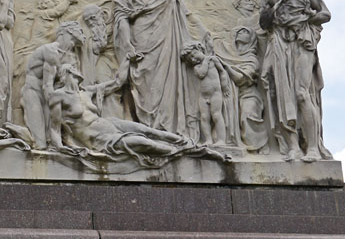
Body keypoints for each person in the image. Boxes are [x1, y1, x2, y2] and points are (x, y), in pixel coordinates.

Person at [47, 65, 227, 167]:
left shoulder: (85, 92)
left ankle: (188, 144)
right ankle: (193, 153)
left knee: (151, 132)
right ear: (67, 73)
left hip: (110, 124)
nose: (78, 69)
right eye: (73, 67)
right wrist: (61, 148)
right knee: (144, 143)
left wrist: (127, 60)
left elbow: (117, 82)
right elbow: (55, 127)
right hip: (101, 140)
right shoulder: (59, 96)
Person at [113, 0, 197, 136]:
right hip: (141, 38)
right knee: (143, 81)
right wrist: (127, 45)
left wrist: (202, 34)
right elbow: (121, 17)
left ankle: (165, 128)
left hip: (166, 40)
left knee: (166, 83)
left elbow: (185, 14)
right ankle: (147, 128)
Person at [259, 0, 332, 162]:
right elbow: (264, 24)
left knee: (301, 93)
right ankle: (292, 147)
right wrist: (272, 8)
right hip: (279, 45)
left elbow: (326, 14)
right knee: (283, 98)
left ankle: (313, 148)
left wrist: (306, 18)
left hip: (302, 42)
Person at [21, 21, 85, 149]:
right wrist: (56, 117)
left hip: (55, 97)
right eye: (80, 31)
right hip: (35, 93)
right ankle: (11, 132)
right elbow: (47, 86)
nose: (83, 35)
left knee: (55, 140)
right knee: (40, 143)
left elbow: (75, 87)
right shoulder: (51, 51)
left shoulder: (73, 58)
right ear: (70, 31)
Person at [180, 41, 228, 145]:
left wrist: (225, 87)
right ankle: (208, 140)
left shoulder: (213, 60)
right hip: (203, 96)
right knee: (204, 117)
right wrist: (205, 61)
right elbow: (201, 74)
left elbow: (223, 72)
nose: (193, 59)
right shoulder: (196, 67)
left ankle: (221, 140)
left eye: (194, 54)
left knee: (216, 115)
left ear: (200, 49)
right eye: (190, 59)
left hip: (215, 94)